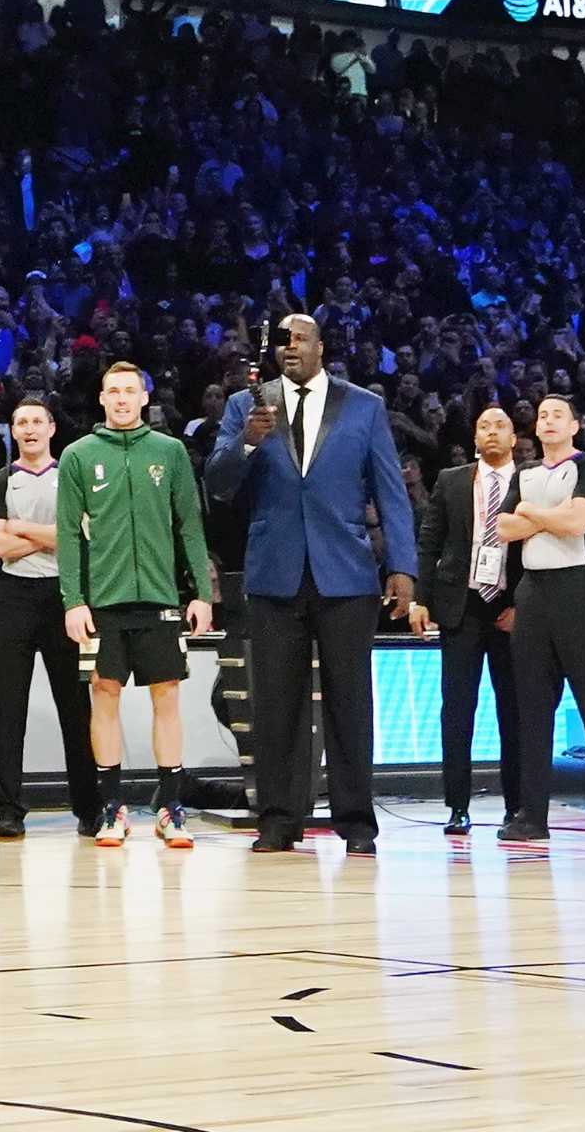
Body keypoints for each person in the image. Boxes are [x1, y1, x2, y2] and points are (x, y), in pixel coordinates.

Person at [209, 314, 422, 855]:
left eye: (300, 339)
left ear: (321, 347)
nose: (291, 348)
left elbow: (391, 493)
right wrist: (249, 444)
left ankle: (356, 823)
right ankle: (279, 820)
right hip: (275, 570)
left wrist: (402, 567)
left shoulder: (364, 406)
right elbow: (217, 483)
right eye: (283, 341)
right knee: (276, 705)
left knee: (350, 703)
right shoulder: (245, 407)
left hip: (345, 571)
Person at [57, 364, 216, 847]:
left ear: (145, 397)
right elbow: (66, 534)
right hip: (103, 602)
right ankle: (112, 808)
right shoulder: (78, 455)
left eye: (130, 391)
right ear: (102, 399)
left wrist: (202, 594)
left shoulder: (169, 452)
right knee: (103, 699)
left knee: (166, 699)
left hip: (161, 599)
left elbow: (189, 524)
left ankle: (171, 809)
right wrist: (73, 601)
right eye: (113, 392)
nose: (122, 399)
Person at [495, 396, 585, 848]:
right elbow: (503, 529)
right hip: (533, 594)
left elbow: (578, 523)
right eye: (542, 416)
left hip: (576, 591)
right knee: (533, 710)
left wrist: (534, 515)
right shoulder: (526, 472)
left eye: (558, 414)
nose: (549, 421)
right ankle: (532, 816)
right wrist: (546, 519)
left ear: (575, 425)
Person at [0, 396, 95, 839]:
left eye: (36, 421)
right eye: (20, 421)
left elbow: (84, 538)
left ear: (50, 429)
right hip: (12, 601)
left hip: (65, 599)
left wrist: (19, 528)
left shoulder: (72, 475)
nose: (28, 428)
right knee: (9, 709)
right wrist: (53, 535)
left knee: (75, 707)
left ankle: (89, 806)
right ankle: (9, 811)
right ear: (12, 430)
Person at [418, 406, 527, 835]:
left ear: (514, 437)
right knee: (457, 709)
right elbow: (430, 540)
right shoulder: (452, 479)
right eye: (484, 426)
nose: (492, 432)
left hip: (509, 607)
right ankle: (457, 805)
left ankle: (517, 804)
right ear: (475, 437)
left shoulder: (529, 481)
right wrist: (420, 600)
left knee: (513, 710)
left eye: (500, 426)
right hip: (460, 606)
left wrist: (524, 605)